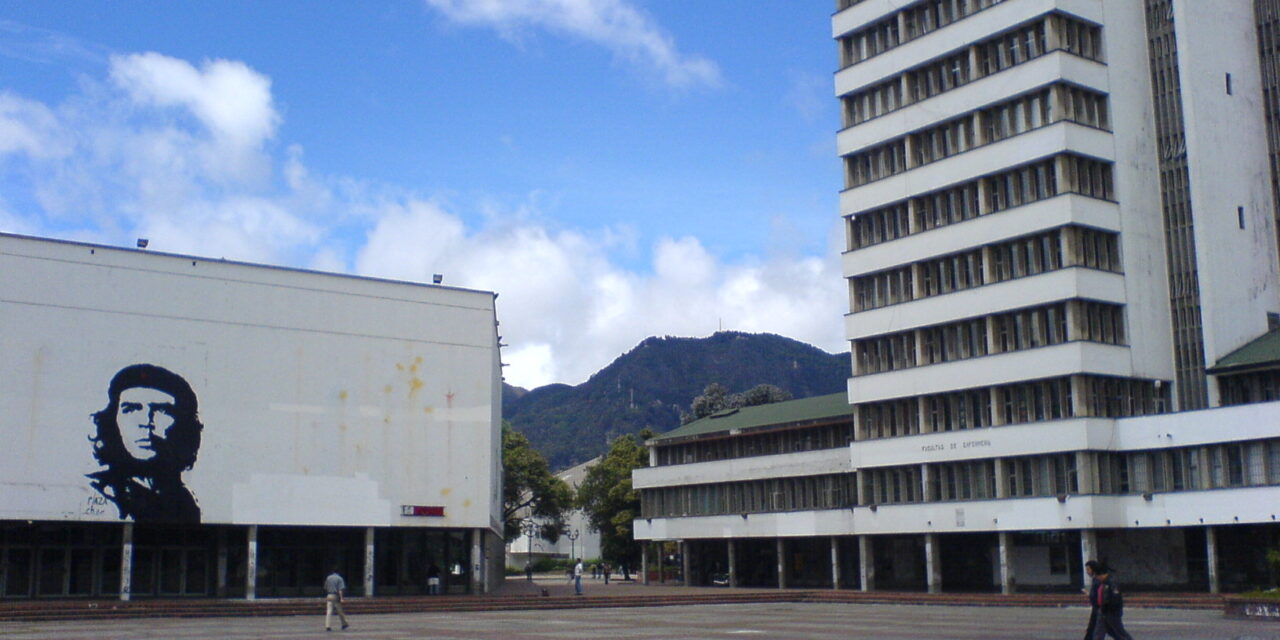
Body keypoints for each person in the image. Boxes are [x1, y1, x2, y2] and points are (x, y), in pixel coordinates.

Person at [87, 364, 203, 523]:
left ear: (183, 424)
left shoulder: (185, 500)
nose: (146, 422)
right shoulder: (99, 492)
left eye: (161, 410)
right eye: (131, 409)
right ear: (112, 420)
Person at [1084, 560, 1134, 640]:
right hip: (1102, 611)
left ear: (1102, 575)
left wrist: (1108, 608)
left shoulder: (1111, 583)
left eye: (1098, 576)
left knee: (1119, 633)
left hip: (1111, 613)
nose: (1097, 578)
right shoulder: (1104, 582)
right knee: (1098, 633)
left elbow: (1115, 599)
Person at [323, 567, 350, 632]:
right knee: (339, 610)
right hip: (335, 596)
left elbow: (325, 587)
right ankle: (344, 623)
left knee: (329, 611)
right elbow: (340, 589)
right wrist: (341, 598)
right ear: (338, 572)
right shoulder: (339, 578)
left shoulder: (328, 578)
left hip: (329, 595)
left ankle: (327, 626)